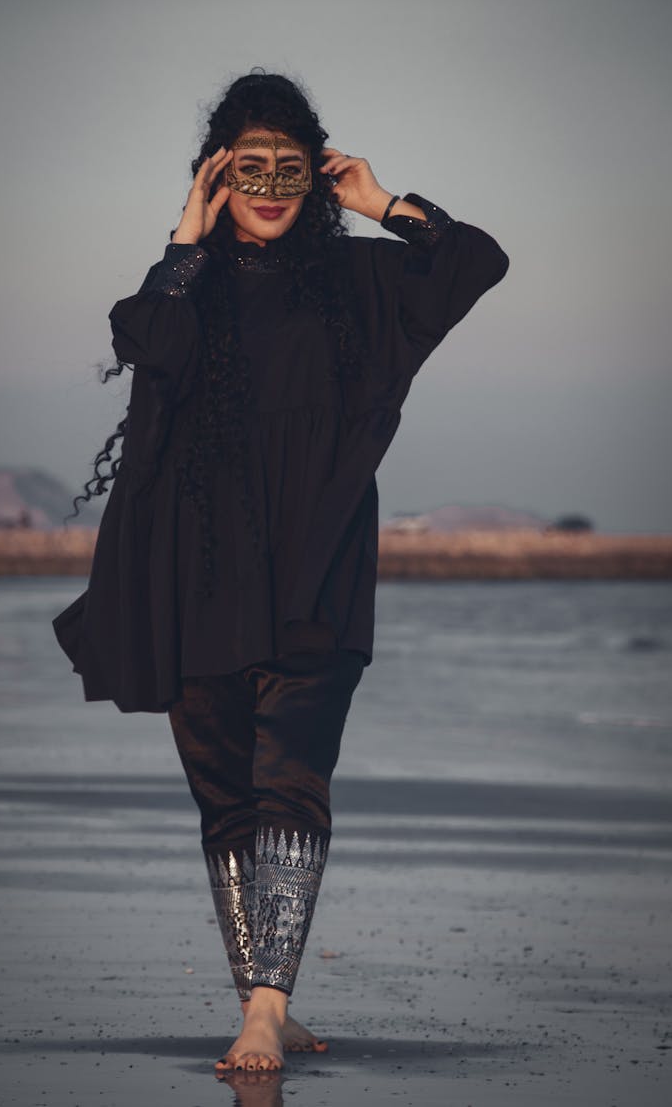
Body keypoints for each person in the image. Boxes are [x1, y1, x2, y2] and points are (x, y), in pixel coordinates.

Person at [52, 70, 509, 1073]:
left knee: (290, 783)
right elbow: (150, 342)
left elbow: (476, 262)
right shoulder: (187, 292)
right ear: (218, 173)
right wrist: (184, 238)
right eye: (246, 167)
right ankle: (266, 999)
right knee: (225, 801)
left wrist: (384, 204)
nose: (268, 184)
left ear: (314, 175)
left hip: (318, 575)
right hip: (197, 581)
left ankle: (266, 1010)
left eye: (287, 168)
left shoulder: (358, 286)